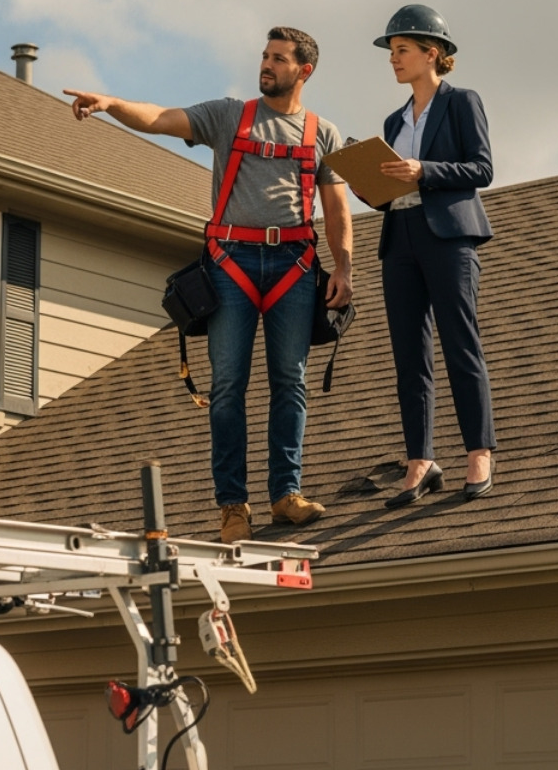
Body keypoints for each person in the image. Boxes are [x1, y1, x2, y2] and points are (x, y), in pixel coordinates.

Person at [65, 27, 353, 543]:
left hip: (294, 263)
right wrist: (110, 103)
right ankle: (232, 506)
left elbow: (336, 211)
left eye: (279, 59)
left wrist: (345, 268)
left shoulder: (322, 134)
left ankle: (285, 495)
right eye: (264, 56)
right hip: (231, 262)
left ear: (304, 70)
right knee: (227, 388)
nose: (266, 65)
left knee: (292, 382)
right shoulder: (228, 116)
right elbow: (160, 116)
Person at [371, 5, 496, 507]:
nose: (394, 60)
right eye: (392, 52)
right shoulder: (393, 120)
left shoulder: (463, 101)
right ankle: (420, 460)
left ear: (433, 54)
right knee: (408, 355)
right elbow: (390, 183)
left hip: (448, 237)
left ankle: (479, 451)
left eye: (402, 50)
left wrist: (424, 170)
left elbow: (482, 168)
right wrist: (372, 184)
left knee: (460, 344)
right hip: (398, 234)